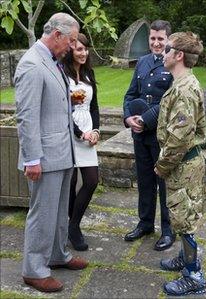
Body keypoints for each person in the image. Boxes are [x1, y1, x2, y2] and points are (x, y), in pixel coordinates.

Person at [14, 13, 88, 293]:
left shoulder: (53, 62)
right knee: (42, 213)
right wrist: (32, 158)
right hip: (43, 157)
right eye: (70, 41)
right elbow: (27, 116)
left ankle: (57, 255)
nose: (72, 46)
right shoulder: (33, 64)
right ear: (57, 35)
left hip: (62, 153)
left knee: (58, 212)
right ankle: (34, 270)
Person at [154, 31, 206, 296]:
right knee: (181, 213)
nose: (162, 52)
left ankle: (194, 275)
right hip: (183, 164)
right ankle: (186, 259)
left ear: (178, 55)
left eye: (167, 49)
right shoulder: (182, 83)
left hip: (182, 164)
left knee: (185, 218)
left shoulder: (185, 90)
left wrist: (162, 165)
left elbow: (178, 138)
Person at [123, 20, 175, 251]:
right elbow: (130, 94)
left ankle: (168, 230)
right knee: (144, 180)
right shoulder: (142, 62)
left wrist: (145, 119)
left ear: (168, 40)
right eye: (152, 38)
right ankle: (145, 223)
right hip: (139, 135)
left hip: (160, 134)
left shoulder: (173, 62)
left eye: (160, 39)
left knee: (163, 183)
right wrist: (128, 118)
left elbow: (170, 101)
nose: (155, 43)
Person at [62, 33, 100, 251]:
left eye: (85, 49)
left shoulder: (88, 72)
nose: (84, 53)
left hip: (87, 132)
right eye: (79, 49)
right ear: (70, 51)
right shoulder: (62, 74)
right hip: (69, 132)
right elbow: (64, 109)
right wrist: (79, 133)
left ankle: (73, 224)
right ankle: (73, 229)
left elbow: (94, 106)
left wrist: (94, 130)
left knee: (92, 180)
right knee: (70, 183)